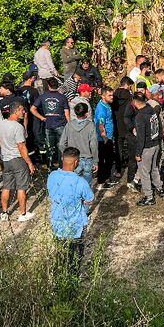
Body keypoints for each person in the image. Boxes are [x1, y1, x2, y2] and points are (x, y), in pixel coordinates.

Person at [48, 146, 94, 276]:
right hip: (75, 227)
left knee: (60, 255)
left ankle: (59, 279)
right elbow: (90, 199)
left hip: (57, 224)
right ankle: (72, 282)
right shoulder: (80, 182)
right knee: (74, 258)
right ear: (77, 162)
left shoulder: (52, 176)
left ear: (62, 159)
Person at [0, 100, 36, 222]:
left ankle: (4, 213)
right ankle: (23, 214)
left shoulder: (1, 124)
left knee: (6, 187)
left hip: (6, 159)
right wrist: (29, 163)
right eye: (22, 110)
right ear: (17, 110)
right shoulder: (18, 127)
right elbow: (21, 147)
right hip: (17, 159)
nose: (24, 112)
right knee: (21, 187)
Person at [59, 101, 99, 194]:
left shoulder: (69, 125)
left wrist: (67, 155)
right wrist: (96, 161)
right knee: (87, 186)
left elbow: (61, 143)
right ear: (86, 113)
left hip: (73, 159)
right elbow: (93, 144)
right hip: (87, 159)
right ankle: (85, 205)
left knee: (73, 185)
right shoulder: (90, 125)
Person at [30, 77, 71, 168]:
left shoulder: (43, 96)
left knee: (50, 148)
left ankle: (50, 167)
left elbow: (32, 109)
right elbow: (67, 113)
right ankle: (62, 166)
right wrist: (70, 126)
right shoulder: (62, 97)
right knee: (62, 147)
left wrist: (42, 118)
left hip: (48, 125)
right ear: (57, 86)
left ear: (48, 86)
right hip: (61, 124)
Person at [133, 92, 162, 206]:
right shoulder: (152, 110)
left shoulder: (140, 116)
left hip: (147, 147)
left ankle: (149, 196)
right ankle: (159, 188)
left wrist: (138, 153)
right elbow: (158, 125)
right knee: (154, 168)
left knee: (144, 172)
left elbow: (141, 137)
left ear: (135, 102)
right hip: (156, 144)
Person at [112, 77, 135, 181]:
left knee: (118, 147)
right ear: (128, 85)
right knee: (131, 147)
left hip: (117, 124)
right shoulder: (129, 96)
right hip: (127, 124)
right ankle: (132, 168)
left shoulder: (113, 95)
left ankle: (118, 170)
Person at [94, 87, 116, 190]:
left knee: (108, 159)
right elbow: (101, 124)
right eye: (109, 95)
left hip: (108, 137)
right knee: (104, 160)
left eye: (112, 95)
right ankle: (101, 182)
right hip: (104, 139)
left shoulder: (106, 104)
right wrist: (104, 136)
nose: (112, 97)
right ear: (103, 96)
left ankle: (105, 179)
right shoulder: (102, 108)